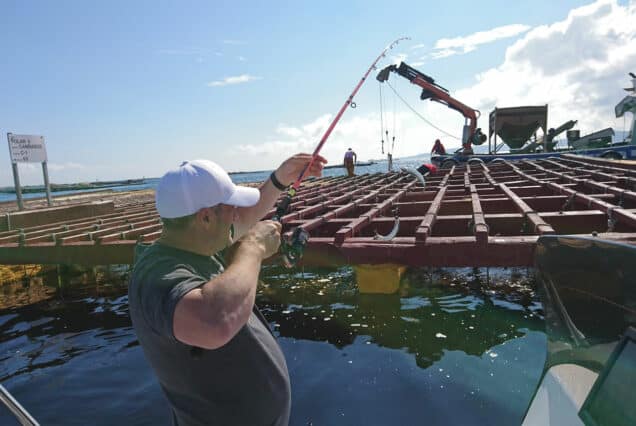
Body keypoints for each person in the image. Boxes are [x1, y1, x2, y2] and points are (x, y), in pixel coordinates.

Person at [128, 153, 326, 426]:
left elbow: (246, 217)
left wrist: (280, 179)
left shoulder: (196, 244)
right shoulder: (154, 276)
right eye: (229, 206)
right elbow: (215, 322)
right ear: (205, 217)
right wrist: (253, 249)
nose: (236, 214)